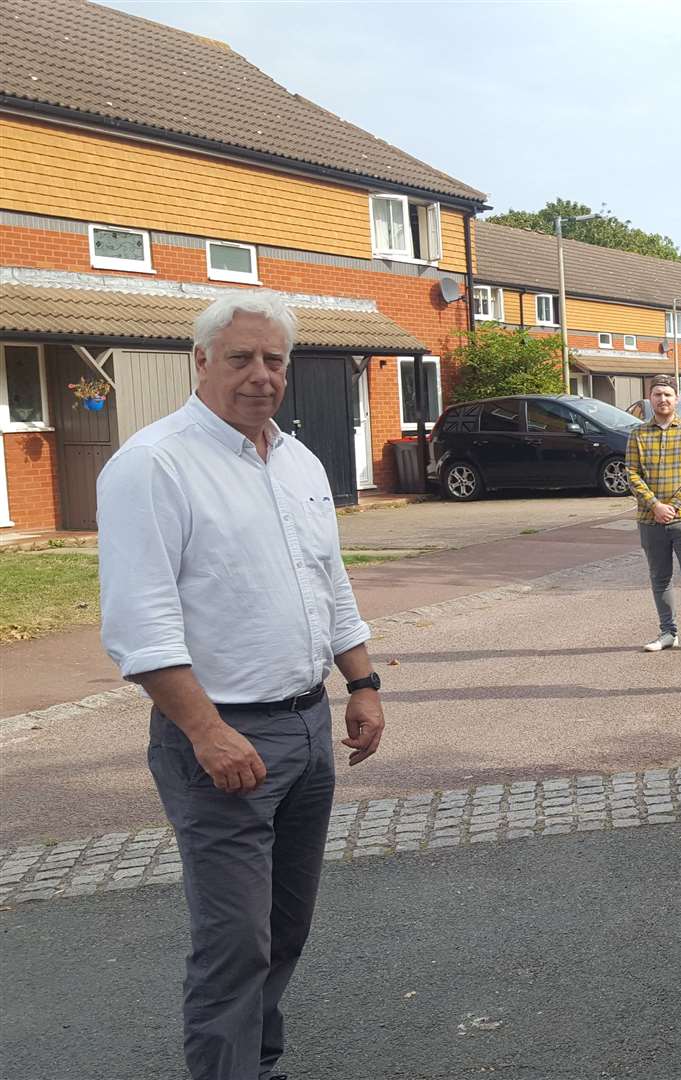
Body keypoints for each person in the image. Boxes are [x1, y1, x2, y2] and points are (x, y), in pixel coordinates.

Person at [97, 291, 387, 1080]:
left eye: (273, 361)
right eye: (240, 359)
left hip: (306, 727)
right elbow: (139, 624)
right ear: (200, 361)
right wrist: (206, 731)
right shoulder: (153, 464)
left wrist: (361, 682)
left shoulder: (296, 461)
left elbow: (328, 585)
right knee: (235, 944)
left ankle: (256, 1062)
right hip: (222, 738)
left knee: (285, 929)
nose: (260, 376)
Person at [625, 375, 681, 653]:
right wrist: (655, 506)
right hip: (650, 520)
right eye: (657, 395)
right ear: (649, 399)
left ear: (676, 399)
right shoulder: (638, 434)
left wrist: (672, 506)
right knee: (660, 577)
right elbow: (632, 473)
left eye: (667, 394)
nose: (662, 399)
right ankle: (667, 632)